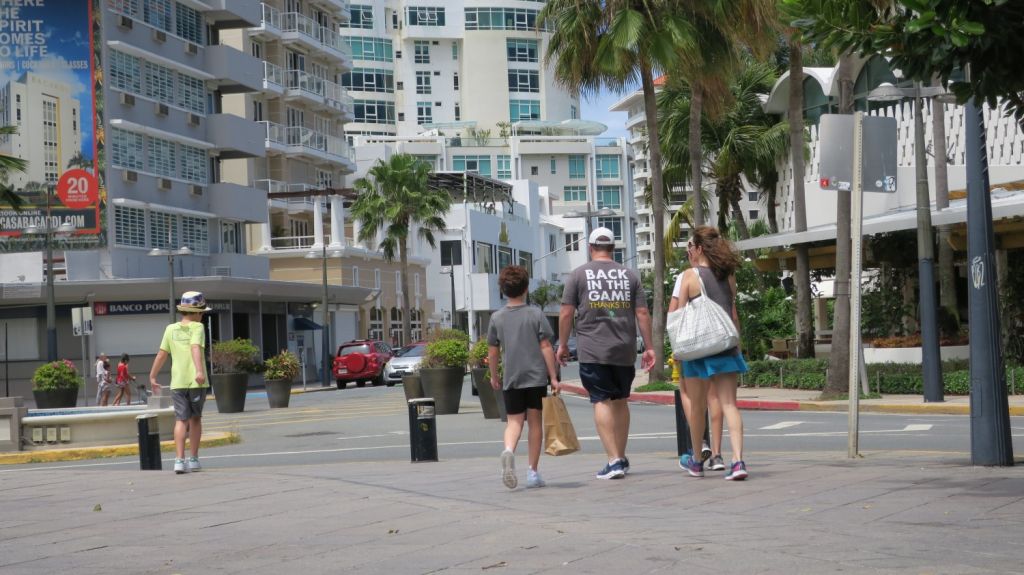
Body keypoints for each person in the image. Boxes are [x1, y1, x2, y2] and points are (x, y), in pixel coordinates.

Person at [559, 227, 655, 480]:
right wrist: (650, 347)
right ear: (613, 249)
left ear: (591, 248)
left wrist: (561, 345)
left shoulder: (578, 275)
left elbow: (567, 312)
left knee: (601, 400)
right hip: (624, 349)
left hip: (593, 349)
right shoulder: (630, 276)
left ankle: (613, 461)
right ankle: (620, 457)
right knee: (621, 400)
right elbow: (642, 313)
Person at [674, 226, 749, 480]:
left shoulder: (689, 276)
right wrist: (736, 341)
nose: (690, 252)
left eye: (691, 247)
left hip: (698, 350)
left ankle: (697, 461)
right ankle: (738, 461)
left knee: (697, 407)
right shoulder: (729, 277)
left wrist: (677, 350)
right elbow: (733, 314)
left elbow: (680, 316)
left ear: (698, 249)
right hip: (726, 348)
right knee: (730, 405)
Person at [487, 266, 560, 490]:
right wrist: (553, 376)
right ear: (526, 289)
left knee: (514, 422)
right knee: (535, 422)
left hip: (512, 377)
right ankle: (532, 472)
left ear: (503, 290)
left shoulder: (496, 318)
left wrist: (494, 375)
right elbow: (546, 346)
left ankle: (508, 450)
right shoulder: (535, 314)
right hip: (536, 377)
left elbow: (493, 350)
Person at [149, 291, 211, 474]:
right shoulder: (198, 328)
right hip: (196, 382)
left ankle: (178, 460)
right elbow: (195, 348)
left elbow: (161, 354)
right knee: (196, 419)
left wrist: (153, 376)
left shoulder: (170, 329)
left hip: (177, 381)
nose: (202, 316)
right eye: (202, 313)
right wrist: (199, 371)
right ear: (197, 312)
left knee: (181, 420)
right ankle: (193, 459)